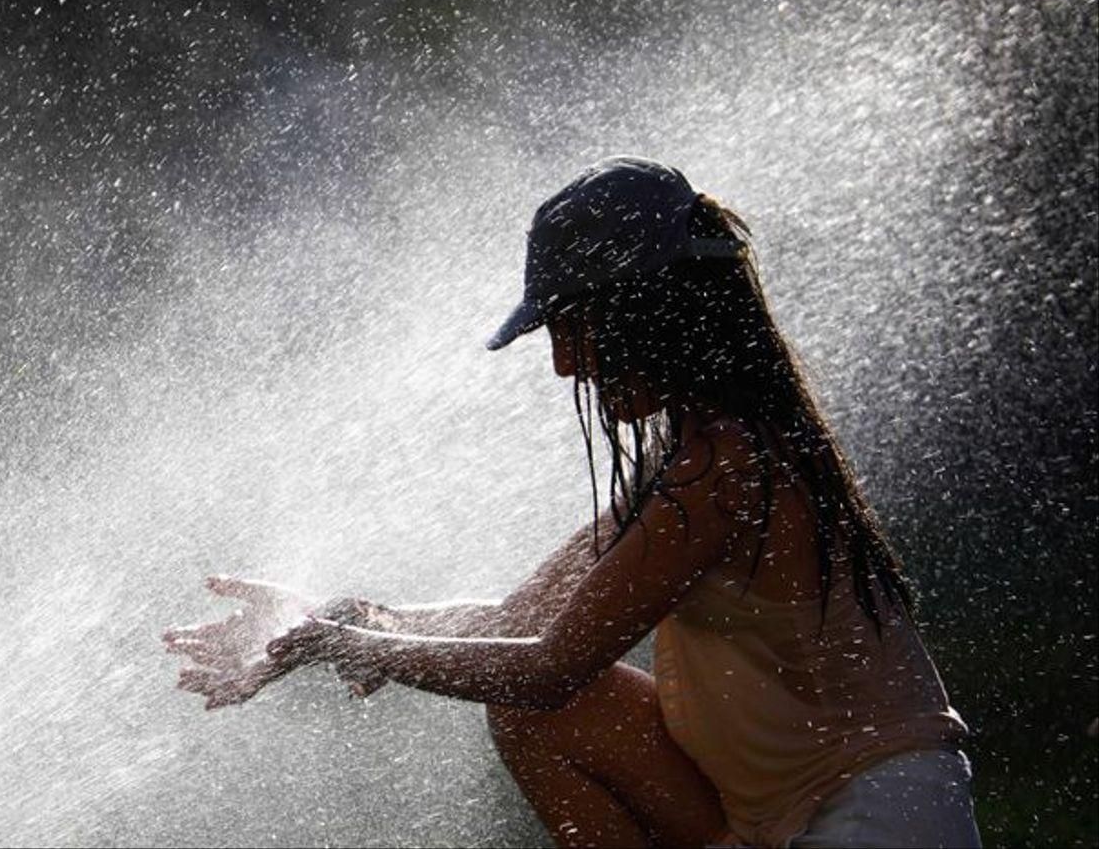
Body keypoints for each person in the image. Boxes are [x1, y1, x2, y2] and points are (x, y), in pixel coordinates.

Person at [163, 157, 981, 848]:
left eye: (570, 325)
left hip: (876, 820)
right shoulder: (692, 457)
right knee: (540, 714)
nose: (563, 365)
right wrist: (342, 621)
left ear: (646, 309)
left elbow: (550, 666)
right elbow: (524, 619)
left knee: (541, 698)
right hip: (790, 816)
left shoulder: (728, 465)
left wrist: (344, 646)